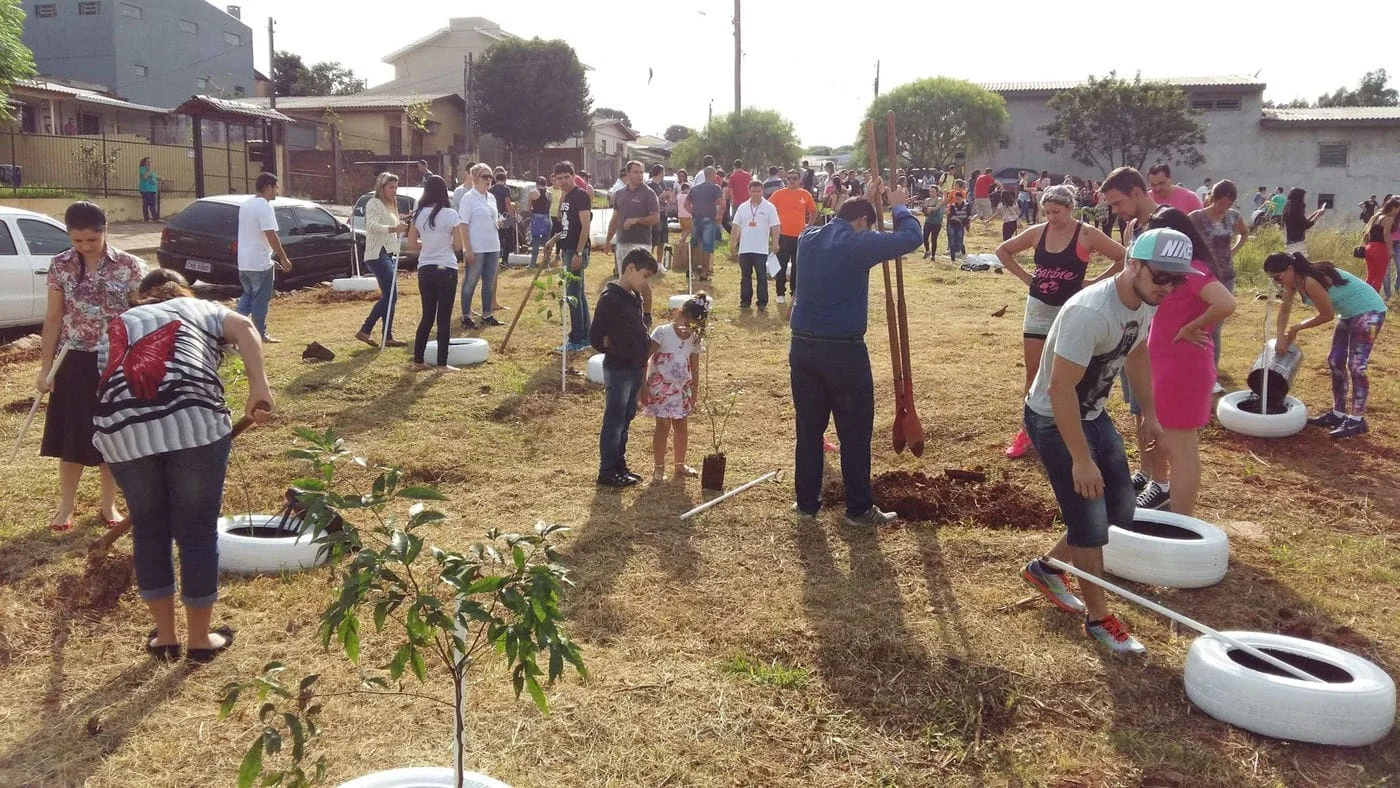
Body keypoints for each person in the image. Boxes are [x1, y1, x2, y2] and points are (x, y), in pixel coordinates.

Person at [1020, 227, 1196, 655]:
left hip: (1093, 415)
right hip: (1053, 419)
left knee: (1121, 507)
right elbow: (1060, 391)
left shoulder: (1143, 301)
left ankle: (1046, 568)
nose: (1167, 288)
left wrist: (1150, 416)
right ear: (1133, 263)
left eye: (1177, 280)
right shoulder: (1090, 313)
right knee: (1090, 521)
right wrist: (1081, 459)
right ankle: (1099, 620)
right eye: (1160, 277)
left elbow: (1135, 353)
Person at [95, 268, 272, 663]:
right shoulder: (199, 308)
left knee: (150, 527)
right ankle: (199, 640)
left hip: (122, 432)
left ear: (142, 297)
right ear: (182, 291)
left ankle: (165, 638)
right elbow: (244, 325)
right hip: (193, 421)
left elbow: (108, 383)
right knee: (195, 530)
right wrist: (259, 387)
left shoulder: (120, 323)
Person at [789, 178, 921, 525]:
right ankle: (859, 508)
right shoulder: (859, 245)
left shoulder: (808, 238)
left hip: (802, 347)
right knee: (855, 431)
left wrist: (865, 199)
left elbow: (844, 218)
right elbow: (912, 238)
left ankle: (806, 505)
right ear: (864, 223)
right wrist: (898, 205)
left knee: (809, 428)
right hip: (843, 352)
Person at [35, 201, 144, 532]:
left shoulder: (129, 266)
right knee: (72, 435)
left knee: (111, 436)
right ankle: (66, 506)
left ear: (104, 231)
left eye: (91, 241)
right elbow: (53, 319)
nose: (84, 247)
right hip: (74, 360)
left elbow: (141, 315)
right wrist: (45, 368)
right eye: (77, 241)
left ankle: (108, 505)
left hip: (116, 360)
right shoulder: (60, 266)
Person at [997, 184, 1126, 459]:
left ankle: (1073, 432)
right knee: (1033, 372)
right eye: (1047, 212)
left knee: (1071, 375)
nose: (1052, 217)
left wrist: (1094, 283)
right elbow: (1003, 251)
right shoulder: (1038, 232)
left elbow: (1123, 257)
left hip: (1071, 310)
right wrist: (1025, 277)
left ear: (1070, 208)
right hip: (1039, 307)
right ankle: (1028, 432)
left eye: (1057, 212)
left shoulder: (1087, 233)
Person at [1134, 210, 1235, 514]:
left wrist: (1192, 327)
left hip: (1183, 368)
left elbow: (1226, 302)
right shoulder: (1175, 271)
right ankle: (1169, 502)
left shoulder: (1193, 270)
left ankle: (1181, 523)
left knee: (1182, 451)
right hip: (1165, 364)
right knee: (1170, 444)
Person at [1268, 252, 1387, 439]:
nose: (1277, 282)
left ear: (1290, 269)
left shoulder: (1309, 280)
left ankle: (1357, 420)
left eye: (1277, 277)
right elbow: (1284, 310)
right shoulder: (1293, 283)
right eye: (1273, 279)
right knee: (1335, 361)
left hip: (1369, 311)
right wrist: (1280, 337)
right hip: (1350, 314)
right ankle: (1338, 414)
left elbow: (1327, 315)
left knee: (1357, 366)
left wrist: (1297, 328)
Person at [590, 249, 659, 488]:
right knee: (615, 420)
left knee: (626, 418)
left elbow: (639, 325)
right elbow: (596, 335)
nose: (646, 281)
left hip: (634, 367)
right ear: (629, 268)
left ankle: (620, 464)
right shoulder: (610, 298)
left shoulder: (634, 296)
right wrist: (610, 346)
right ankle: (607, 469)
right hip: (618, 368)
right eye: (645, 275)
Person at [642, 294, 708, 483]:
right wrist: (643, 388)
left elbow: (694, 367)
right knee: (662, 425)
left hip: (681, 389)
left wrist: (694, 392)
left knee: (681, 425)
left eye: (693, 326)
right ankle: (659, 468)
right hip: (660, 388)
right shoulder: (662, 333)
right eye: (685, 322)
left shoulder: (694, 340)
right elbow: (645, 359)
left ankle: (679, 464)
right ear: (678, 314)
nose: (687, 328)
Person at [1189, 179, 1249, 378]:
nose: (1224, 207)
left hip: (1225, 275)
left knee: (1216, 325)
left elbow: (1244, 233)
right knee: (1196, 320)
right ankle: (1195, 362)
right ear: (1212, 198)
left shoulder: (1233, 216)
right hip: (1201, 276)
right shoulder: (1196, 217)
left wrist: (1234, 250)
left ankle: (1211, 372)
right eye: (1221, 203)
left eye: (1228, 204)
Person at [404, 175, 465, 370]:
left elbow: (412, 245)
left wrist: (428, 245)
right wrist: (441, 244)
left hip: (425, 268)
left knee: (427, 315)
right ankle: (442, 363)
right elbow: (458, 245)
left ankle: (418, 360)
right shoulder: (451, 214)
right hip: (446, 267)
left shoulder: (418, 214)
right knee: (444, 318)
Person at [235, 173, 293, 343]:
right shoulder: (264, 207)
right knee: (260, 299)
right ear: (268, 187)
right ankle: (260, 333)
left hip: (244, 262)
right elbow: (270, 234)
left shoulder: (246, 205)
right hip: (259, 263)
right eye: (276, 187)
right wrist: (283, 257)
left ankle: (234, 331)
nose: (277, 191)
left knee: (247, 296)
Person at [604, 160, 662, 325]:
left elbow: (655, 217)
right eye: (635, 172)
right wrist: (609, 240)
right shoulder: (619, 194)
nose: (639, 175)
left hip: (641, 242)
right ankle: (626, 313)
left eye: (641, 172)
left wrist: (637, 220)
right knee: (624, 280)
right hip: (623, 242)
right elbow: (615, 219)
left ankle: (647, 315)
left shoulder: (649, 193)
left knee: (642, 281)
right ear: (627, 174)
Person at [356, 172, 409, 347]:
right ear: (382, 187)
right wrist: (394, 228)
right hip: (377, 254)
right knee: (392, 295)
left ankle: (387, 336)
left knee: (390, 295)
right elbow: (371, 225)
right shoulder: (374, 203)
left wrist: (401, 223)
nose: (394, 191)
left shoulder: (391, 205)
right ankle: (366, 329)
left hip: (388, 253)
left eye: (396, 187)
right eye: (391, 187)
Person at [554, 161, 594, 353]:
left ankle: (576, 339)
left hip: (576, 251)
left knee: (572, 295)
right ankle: (586, 335)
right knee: (579, 293)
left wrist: (578, 253)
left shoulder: (580, 196)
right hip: (567, 248)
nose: (563, 181)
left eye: (566, 177)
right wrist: (553, 240)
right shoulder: (566, 196)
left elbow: (585, 227)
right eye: (559, 178)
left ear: (573, 176)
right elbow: (566, 225)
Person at [458, 164, 503, 329]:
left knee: (489, 281)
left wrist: (502, 222)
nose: (488, 180)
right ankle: (466, 316)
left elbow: (494, 220)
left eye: (490, 176)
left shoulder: (490, 197)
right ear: (475, 178)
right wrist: (468, 249)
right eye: (485, 177)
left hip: (492, 245)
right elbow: (463, 225)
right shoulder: (468, 198)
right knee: (471, 281)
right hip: (476, 247)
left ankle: (487, 314)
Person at [730, 179, 781, 310]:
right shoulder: (742, 207)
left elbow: (775, 226)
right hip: (745, 248)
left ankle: (762, 302)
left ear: (762, 191)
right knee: (745, 276)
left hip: (761, 249)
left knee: (761, 276)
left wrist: (775, 243)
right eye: (753, 191)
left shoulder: (769, 207)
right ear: (749, 191)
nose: (756, 194)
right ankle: (745, 301)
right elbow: (736, 226)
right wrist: (733, 243)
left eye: (759, 191)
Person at [770, 169, 817, 305]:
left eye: (794, 178)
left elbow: (813, 211)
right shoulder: (779, 194)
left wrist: (810, 226)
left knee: (797, 265)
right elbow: (768, 208)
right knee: (781, 265)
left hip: (800, 236)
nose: (791, 181)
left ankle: (794, 292)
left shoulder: (805, 194)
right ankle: (780, 293)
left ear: (799, 180)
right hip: (783, 235)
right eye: (789, 178)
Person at [684, 166, 724, 281]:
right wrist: (719, 215)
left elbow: (686, 204)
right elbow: (722, 203)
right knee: (707, 246)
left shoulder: (695, 188)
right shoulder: (716, 188)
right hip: (709, 219)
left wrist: (694, 212)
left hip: (696, 219)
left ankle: (690, 269)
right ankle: (704, 273)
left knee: (694, 245)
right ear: (714, 176)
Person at [1361, 197, 1399, 294]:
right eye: (1398, 209)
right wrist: (1390, 249)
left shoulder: (1377, 216)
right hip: (1380, 248)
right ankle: (1374, 300)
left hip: (1369, 247)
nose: (1398, 212)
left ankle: (1365, 296)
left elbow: (1365, 232)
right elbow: (1386, 234)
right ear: (1393, 208)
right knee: (1379, 276)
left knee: (1370, 276)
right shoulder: (1388, 219)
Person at [1281, 187, 1326, 254]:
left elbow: (1302, 222)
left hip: (1289, 242)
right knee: (1300, 263)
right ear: (1299, 197)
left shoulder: (1288, 206)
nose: (1304, 199)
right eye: (1303, 197)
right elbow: (1307, 225)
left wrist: (1315, 214)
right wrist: (1319, 214)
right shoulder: (1297, 207)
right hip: (1297, 243)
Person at [489, 166, 515, 259]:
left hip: (495, 216)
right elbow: (507, 203)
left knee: (498, 237)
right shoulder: (506, 189)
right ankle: (505, 259)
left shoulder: (490, 189)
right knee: (509, 238)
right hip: (505, 216)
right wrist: (513, 216)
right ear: (505, 179)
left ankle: (497, 257)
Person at [527, 177, 553, 268]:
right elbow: (549, 207)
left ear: (536, 184)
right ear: (545, 184)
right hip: (546, 218)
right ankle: (546, 263)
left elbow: (528, 208)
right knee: (547, 242)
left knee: (535, 242)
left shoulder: (532, 193)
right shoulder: (549, 194)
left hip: (536, 219)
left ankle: (533, 264)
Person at [647, 164, 669, 263]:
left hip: (663, 214)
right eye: (663, 172)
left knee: (662, 241)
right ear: (660, 172)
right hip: (654, 215)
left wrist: (668, 198)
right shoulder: (650, 184)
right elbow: (651, 201)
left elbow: (664, 200)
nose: (664, 174)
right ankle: (648, 262)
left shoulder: (662, 184)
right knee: (653, 240)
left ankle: (659, 263)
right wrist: (661, 196)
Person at [945, 190, 972, 261]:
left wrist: (967, 222)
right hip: (953, 224)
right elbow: (952, 216)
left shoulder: (967, 205)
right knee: (952, 240)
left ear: (962, 198)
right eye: (956, 199)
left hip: (961, 225)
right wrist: (960, 220)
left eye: (958, 199)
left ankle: (963, 253)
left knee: (960, 240)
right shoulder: (953, 206)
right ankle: (952, 258)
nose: (957, 200)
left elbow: (969, 215)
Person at [921, 187, 944, 259]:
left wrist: (930, 209)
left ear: (937, 192)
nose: (931, 193)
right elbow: (924, 210)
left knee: (934, 239)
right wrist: (927, 210)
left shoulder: (939, 200)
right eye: (930, 191)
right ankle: (927, 251)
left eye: (933, 191)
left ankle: (933, 255)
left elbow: (936, 208)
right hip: (928, 221)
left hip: (936, 222)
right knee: (925, 237)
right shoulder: (927, 200)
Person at [138, 157, 160, 221]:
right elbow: (144, 177)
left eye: (150, 162)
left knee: (153, 204)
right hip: (145, 189)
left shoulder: (151, 170)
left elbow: (155, 177)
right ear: (144, 163)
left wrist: (160, 179)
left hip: (153, 190)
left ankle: (155, 218)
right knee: (146, 204)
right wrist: (149, 171)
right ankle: (146, 219)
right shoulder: (142, 169)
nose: (149, 163)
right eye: (148, 162)